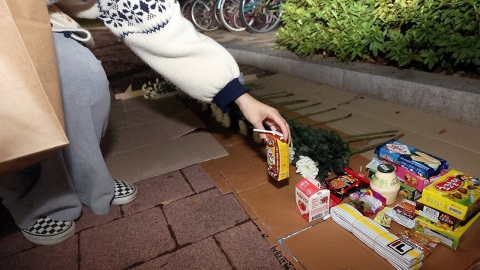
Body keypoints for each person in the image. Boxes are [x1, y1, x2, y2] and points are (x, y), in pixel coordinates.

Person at [0, 0, 290, 246]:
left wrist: (238, 96)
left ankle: (87, 179)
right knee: (16, 102)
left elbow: (151, 18)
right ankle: (36, 200)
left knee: (82, 79)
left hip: (34, 18)